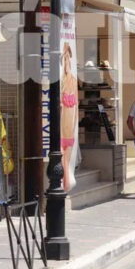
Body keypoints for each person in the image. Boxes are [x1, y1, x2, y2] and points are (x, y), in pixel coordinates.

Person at [60, 42, 78, 192]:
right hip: (65, 130)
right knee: (64, 158)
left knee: (65, 159)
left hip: (67, 130)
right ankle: (64, 183)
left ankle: (64, 182)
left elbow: (76, 107)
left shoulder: (71, 82)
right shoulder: (66, 83)